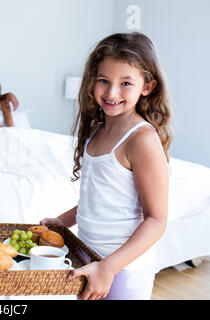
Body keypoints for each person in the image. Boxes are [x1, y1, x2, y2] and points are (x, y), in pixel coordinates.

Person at [41, 32, 172, 300]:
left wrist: (109, 267)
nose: (112, 92)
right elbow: (99, 199)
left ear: (146, 86)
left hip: (123, 269)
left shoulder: (141, 140)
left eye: (126, 83)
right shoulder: (98, 130)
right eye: (104, 81)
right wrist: (62, 221)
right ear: (92, 82)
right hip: (88, 255)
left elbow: (156, 220)